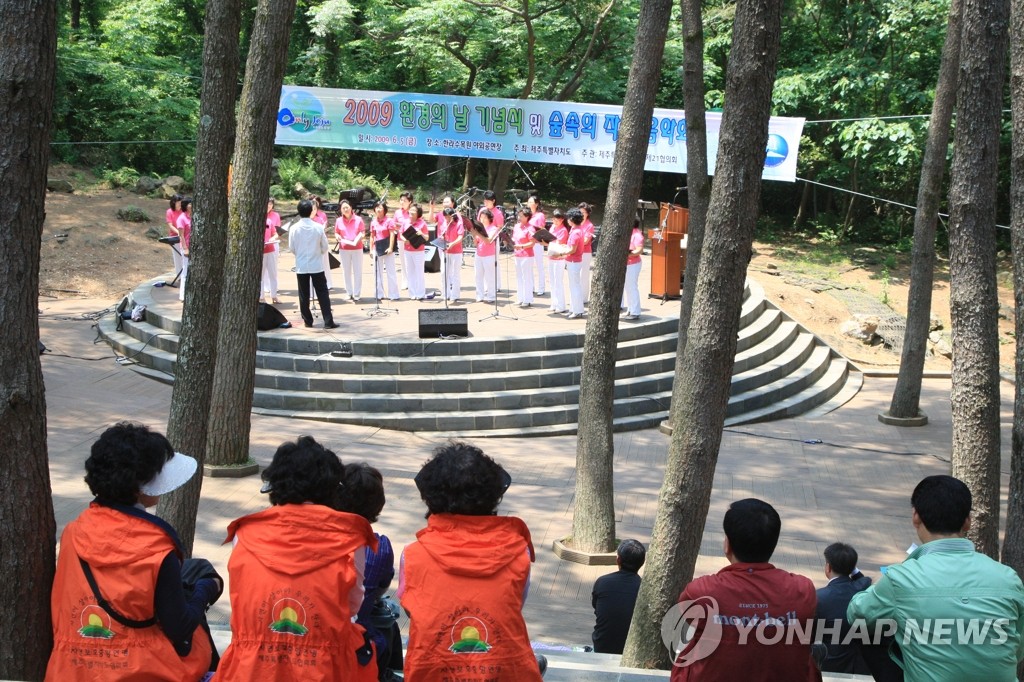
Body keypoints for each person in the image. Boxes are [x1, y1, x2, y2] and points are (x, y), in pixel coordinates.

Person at [45, 423, 222, 681]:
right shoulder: (156, 548)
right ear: (140, 485)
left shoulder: (73, 532)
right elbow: (180, 627)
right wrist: (207, 589)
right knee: (200, 576)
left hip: (74, 669)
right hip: (141, 670)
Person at [217, 436, 378, 681]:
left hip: (252, 667)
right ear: (331, 487)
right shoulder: (349, 538)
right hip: (322, 668)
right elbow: (353, 606)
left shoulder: (244, 533)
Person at [848, 475, 1024, 680]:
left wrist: (884, 583)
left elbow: (856, 614)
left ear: (916, 517)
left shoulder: (901, 579)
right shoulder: (1009, 578)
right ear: (968, 521)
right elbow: (1017, 648)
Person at [397, 442, 544, 681]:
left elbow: (415, 613)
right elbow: (512, 606)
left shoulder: (412, 555)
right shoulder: (519, 552)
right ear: (493, 497)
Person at [669, 498, 820, 681]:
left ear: (727, 544)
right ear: (773, 542)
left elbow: (689, 616)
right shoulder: (802, 590)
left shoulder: (701, 592)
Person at [336, 462, 403, 682]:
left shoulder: (321, 541)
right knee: (387, 618)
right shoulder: (379, 547)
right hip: (360, 642)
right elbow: (378, 589)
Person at [592, 539, 646, 654]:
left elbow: (596, 609)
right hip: (632, 650)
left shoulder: (602, 582)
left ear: (618, 560)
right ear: (642, 562)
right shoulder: (645, 589)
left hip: (602, 646)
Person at [290, 198, 338, 329]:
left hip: (301, 265)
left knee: (303, 294)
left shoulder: (294, 228)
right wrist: (317, 253)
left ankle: (307, 320)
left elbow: (292, 247)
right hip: (316, 264)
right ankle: (328, 321)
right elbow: (325, 246)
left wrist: (300, 255)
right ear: (311, 211)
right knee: (322, 293)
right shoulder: (318, 227)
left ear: (298, 212)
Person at [335, 199, 365, 301]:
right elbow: (336, 232)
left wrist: (359, 237)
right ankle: (348, 292)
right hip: (344, 248)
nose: (345, 209)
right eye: (343, 208)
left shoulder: (358, 219)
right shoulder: (338, 220)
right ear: (341, 210)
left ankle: (357, 293)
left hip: (357, 248)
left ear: (351, 207)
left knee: (357, 271)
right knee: (346, 271)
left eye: (347, 207)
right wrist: (337, 236)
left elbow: (362, 232)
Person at [370, 200, 399, 300]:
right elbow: (372, 236)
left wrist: (391, 247)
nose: (378, 209)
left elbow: (392, 234)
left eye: (380, 207)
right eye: (376, 207)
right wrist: (371, 249)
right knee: (377, 272)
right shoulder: (373, 222)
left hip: (387, 248)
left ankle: (393, 294)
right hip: (377, 248)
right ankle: (378, 294)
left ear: (384, 210)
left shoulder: (389, 221)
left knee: (391, 272)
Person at [402, 204, 429, 301]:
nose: (411, 212)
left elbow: (427, 238)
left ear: (418, 213)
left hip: (418, 250)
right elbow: (401, 234)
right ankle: (412, 293)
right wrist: (404, 240)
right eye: (410, 210)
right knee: (410, 272)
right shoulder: (405, 222)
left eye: (414, 211)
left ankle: (420, 293)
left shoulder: (422, 223)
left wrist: (421, 233)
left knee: (419, 272)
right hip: (407, 250)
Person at [439, 206, 465, 303]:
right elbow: (441, 235)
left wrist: (452, 244)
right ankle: (446, 293)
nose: (447, 219)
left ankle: (455, 294)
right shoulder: (444, 224)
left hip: (456, 252)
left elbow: (460, 237)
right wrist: (441, 238)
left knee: (455, 273)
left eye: (448, 217)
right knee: (443, 272)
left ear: (453, 216)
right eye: (445, 217)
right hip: (446, 252)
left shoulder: (459, 224)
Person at [563, 208, 586, 319]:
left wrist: (561, 253)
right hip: (573, 261)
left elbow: (572, 249)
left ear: (572, 219)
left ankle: (577, 310)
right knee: (573, 286)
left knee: (575, 286)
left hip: (573, 261)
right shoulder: (576, 229)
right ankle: (574, 308)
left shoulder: (576, 232)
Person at [473, 208, 500, 303]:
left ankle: (491, 295)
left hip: (489, 255)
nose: (482, 219)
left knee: (489, 276)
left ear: (489, 219)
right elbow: (476, 243)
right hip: (479, 254)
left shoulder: (494, 229)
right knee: (478, 275)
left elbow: (488, 241)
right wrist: (474, 235)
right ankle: (480, 295)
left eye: (484, 217)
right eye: (481, 217)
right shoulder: (479, 229)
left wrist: (478, 234)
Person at [546, 210, 569, 314]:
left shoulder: (563, 230)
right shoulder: (552, 227)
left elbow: (559, 242)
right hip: (551, 256)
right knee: (552, 281)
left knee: (558, 281)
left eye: (557, 219)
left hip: (559, 257)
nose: (555, 221)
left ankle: (561, 305)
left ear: (562, 220)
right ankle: (554, 303)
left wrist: (550, 242)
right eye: (554, 219)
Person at [512, 208, 536, 308]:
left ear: (527, 217)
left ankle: (528, 298)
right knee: (519, 277)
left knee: (526, 277)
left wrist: (522, 246)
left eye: (521, 216)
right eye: (519, 215)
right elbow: (514, 238)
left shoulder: (530, 228)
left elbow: (532, 242)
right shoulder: (516, 226)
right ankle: (520, 297)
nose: (519, 217)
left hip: (527, 255)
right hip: (517, 254)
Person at [621, 218, 644, 320]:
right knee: (627, 287)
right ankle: (630, 309)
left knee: (632, 287)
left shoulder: (637, 235)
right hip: (627, 263)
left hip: (633, 264)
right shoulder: (628, 232)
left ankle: (635, 312)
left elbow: (639, 250)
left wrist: (628, 253)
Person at [310, 195, 334, 290]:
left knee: (325, 263)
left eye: (316, 202)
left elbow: (324, 225)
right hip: (311, 244)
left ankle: (328, 283)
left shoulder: (321, 215)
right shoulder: (307, 216)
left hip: (321, 241)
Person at [261, 198, 281, 304]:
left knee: (273, 273)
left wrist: (273, 238)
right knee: (261, 274)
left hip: (271, 249)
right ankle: (261, 297)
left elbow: (275, 233)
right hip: (261, 252)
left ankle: (274, 296)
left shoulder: (269, 221)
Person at [395, 192, 415, 292]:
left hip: (412, 239)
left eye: (404, 200)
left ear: (410, 202)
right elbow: (394, 225)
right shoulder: (397, 212)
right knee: (403, 261)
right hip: (401, 239)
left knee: (412, 261)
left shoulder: (413, 211)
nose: (402, 202)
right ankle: (404, 280)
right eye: (401, 200)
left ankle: (413, 281)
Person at [527, 195, 546, 295]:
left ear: (536, 204)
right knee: (529, 265)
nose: (529, 204)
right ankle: (531, 287)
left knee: (539, 265)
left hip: (537, 243)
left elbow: (542, 228)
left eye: (531, 202)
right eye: (528, 202)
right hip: (529, 242)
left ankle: (541, 288)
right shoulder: (528, 214)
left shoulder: (540, 215)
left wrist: (534, 227)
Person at [578, 202, 596, 303]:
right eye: (580, 212)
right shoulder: (577, 223)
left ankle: (584, 298)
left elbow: (586, 241)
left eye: (583, 212)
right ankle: (577, 296)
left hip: (585, 253)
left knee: (584, 275)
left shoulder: (589, 225)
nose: (581, 214)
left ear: (587, 213)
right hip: (576, 253)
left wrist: (575, 241)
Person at [176, 197, 193, 302]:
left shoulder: (193, 217)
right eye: (190, 204)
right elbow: (181, 235)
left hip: (194, 247)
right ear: (186, 206)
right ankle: (182, 295)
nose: (192, 205)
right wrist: (185, 248)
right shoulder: (181, 218)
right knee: (185, 271)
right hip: (186, 247)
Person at [166, 193, 184, 276]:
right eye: (178, 202)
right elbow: (170, 225)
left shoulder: (183, 211)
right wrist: (179, 233)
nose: (180, 203)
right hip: (175, 236)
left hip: (185, 235)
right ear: (174, 202)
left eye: (181, 202)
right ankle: (179, 275)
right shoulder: (169, 212)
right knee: (177, 256)